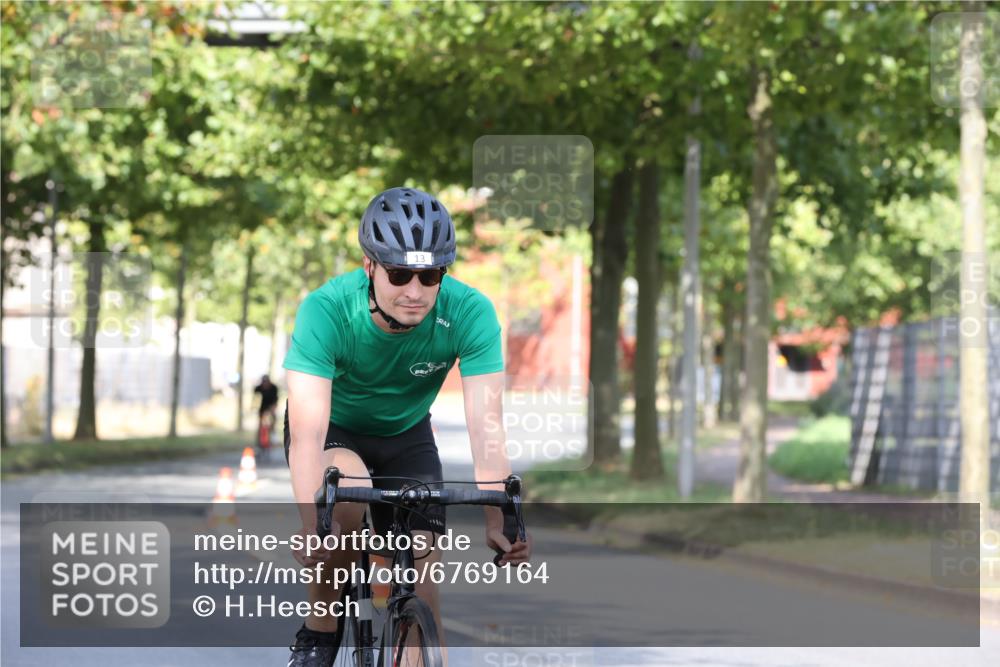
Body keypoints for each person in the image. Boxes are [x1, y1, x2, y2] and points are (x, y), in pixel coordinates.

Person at [282, 187, 531, 666]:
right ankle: (320, 631)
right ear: (370, 266)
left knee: (422, 572)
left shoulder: (469, 312)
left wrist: (499, 517)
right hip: (336, 431)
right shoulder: (327, 309)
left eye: (430, 274)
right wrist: (313, 525)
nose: (415, 291)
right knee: (346, 496)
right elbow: (307, 432)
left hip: (407, 436)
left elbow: (487, 426)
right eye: (399, 273)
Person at [253, 374, 279, 446]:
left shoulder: (274, 388)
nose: (265, 384)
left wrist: (272, 409)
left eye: (266, 382)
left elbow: (275, 400)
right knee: (260, 424)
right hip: (261, 408)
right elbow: (255, 400)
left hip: (271, 407)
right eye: (263, 382)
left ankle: (273, 432)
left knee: (273, 419)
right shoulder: (258, 389)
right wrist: (254, 408)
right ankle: (259, 441)